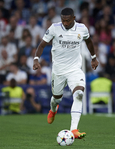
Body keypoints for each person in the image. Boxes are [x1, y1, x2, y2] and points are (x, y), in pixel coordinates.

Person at [33, 8, 99, 139]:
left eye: (67, 21)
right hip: (58, 70)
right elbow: (42, 45)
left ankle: (73, 129)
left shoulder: (82, 28)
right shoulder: (54, 28)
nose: (65, 23)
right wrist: (36, 59)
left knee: (79, 94)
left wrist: (93, 57)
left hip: (75, 69)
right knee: (56, 98)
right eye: (63, 20)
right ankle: (53, 109)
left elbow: (89, 42)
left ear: (74, 18)